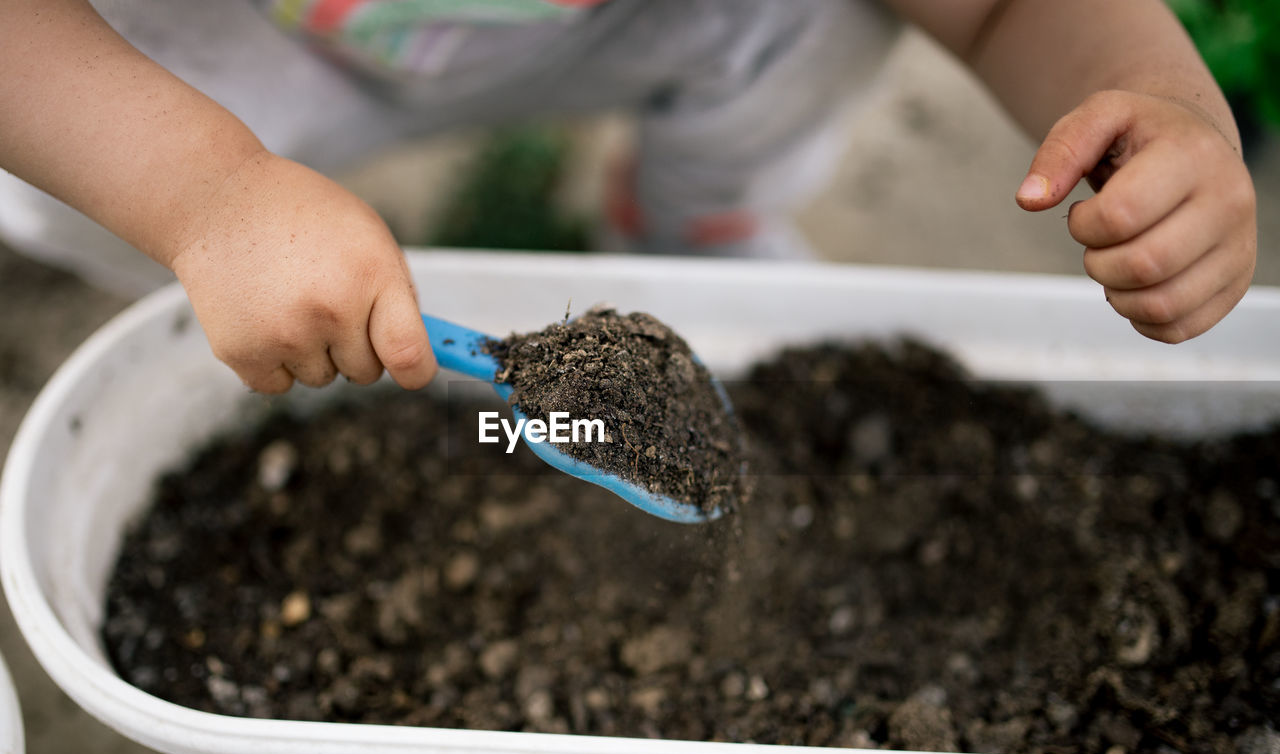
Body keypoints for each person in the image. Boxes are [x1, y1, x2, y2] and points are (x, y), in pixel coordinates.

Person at [0, 0, 1258, 394]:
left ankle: (689, 226)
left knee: (802, 22)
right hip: (224, 48)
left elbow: (999, 7)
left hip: (633, 20)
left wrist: (1152, 93)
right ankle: (229, 292)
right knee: (70, 179)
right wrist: (201, 196)